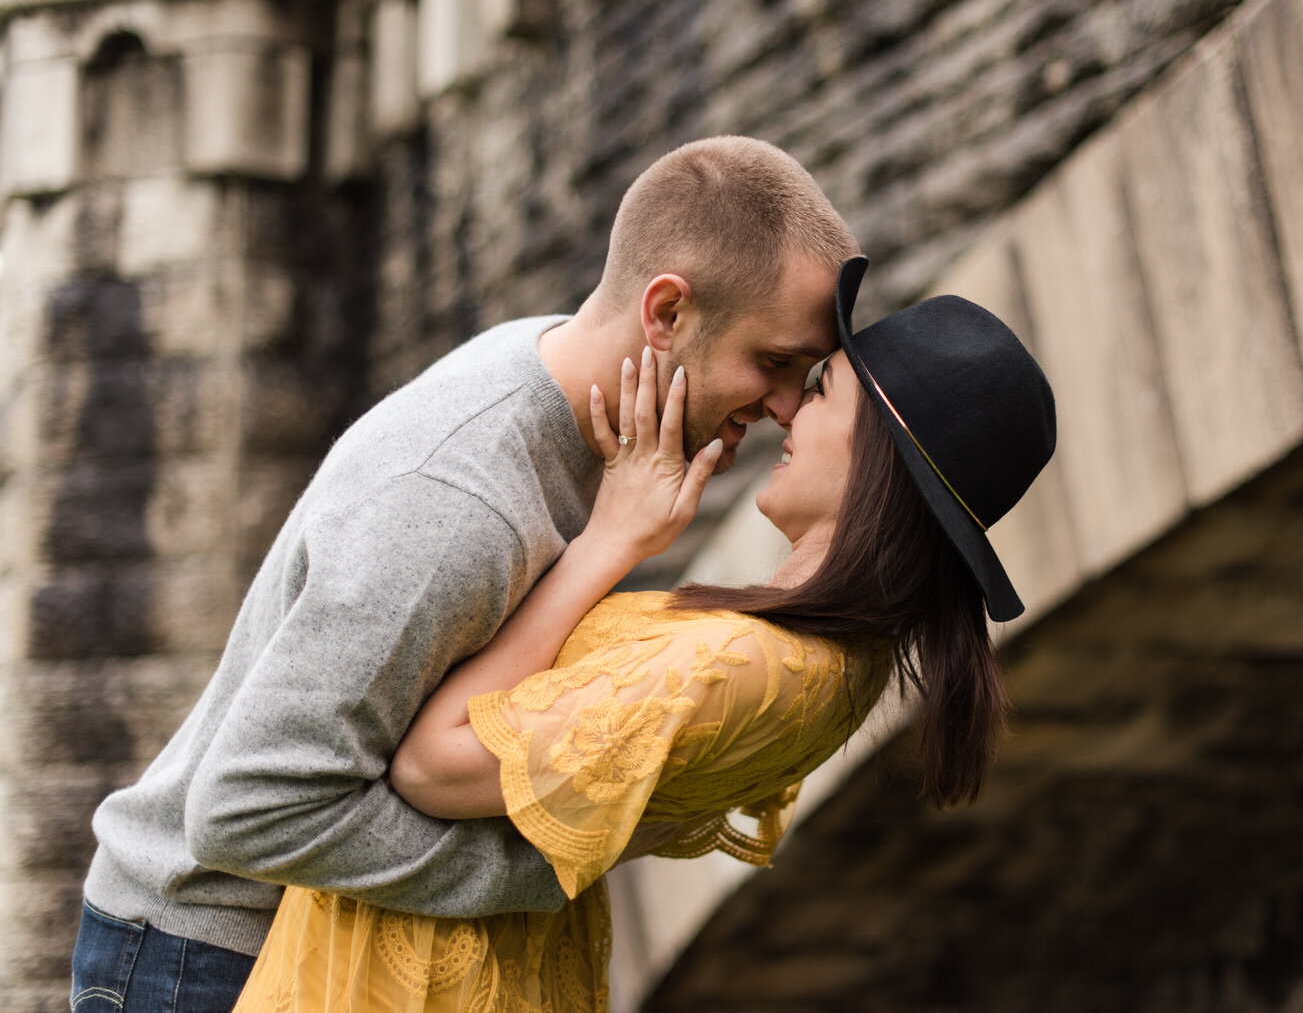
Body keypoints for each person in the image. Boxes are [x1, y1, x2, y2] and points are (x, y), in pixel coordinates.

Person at [70, 136, 860, 1013]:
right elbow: (250, 807)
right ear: (665, 313)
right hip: (201, 955)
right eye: (775, 363)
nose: (787, 406)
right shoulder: (456, 498)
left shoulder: (585, 404)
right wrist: (547, 867)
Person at [229, 256, 1058, 1012]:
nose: (783, 414)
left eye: (819, 391)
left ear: (883, 452)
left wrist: (609, 541)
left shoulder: (750, 663)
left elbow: (431, 763)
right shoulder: (814, 655)